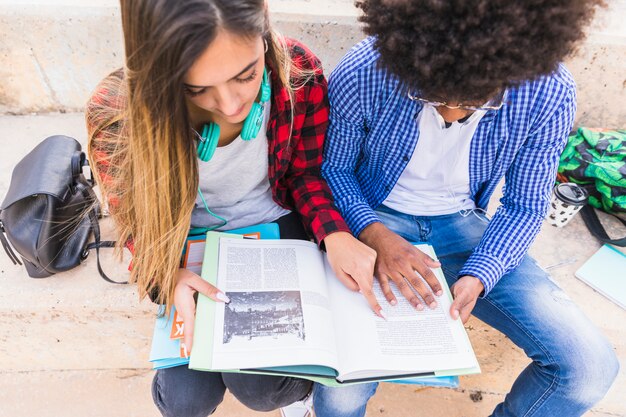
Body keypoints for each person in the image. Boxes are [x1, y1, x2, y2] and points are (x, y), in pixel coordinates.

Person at [321, 1, 619, 416]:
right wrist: (373, 233)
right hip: (371, 219)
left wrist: (482, 273)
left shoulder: (547, 92)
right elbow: (334, 169)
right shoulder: (366, 69)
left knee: (588, 370)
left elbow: (525, 205)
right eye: (434, 94)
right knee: (340, 391)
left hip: (464, 227)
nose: (452, 111)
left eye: (475, 101)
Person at [85, 1, 381, 416]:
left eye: (246, 76)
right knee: (186, 401)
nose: (228, 105)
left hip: (275, 225)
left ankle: (298, 396)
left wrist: (336, 233)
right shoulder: (118, 115)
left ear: (264, 25)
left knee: (263, 390)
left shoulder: (297, 72)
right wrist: (165, 276)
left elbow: (305, 176)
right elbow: (136, 226)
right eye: (196, 89)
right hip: (184, 245)